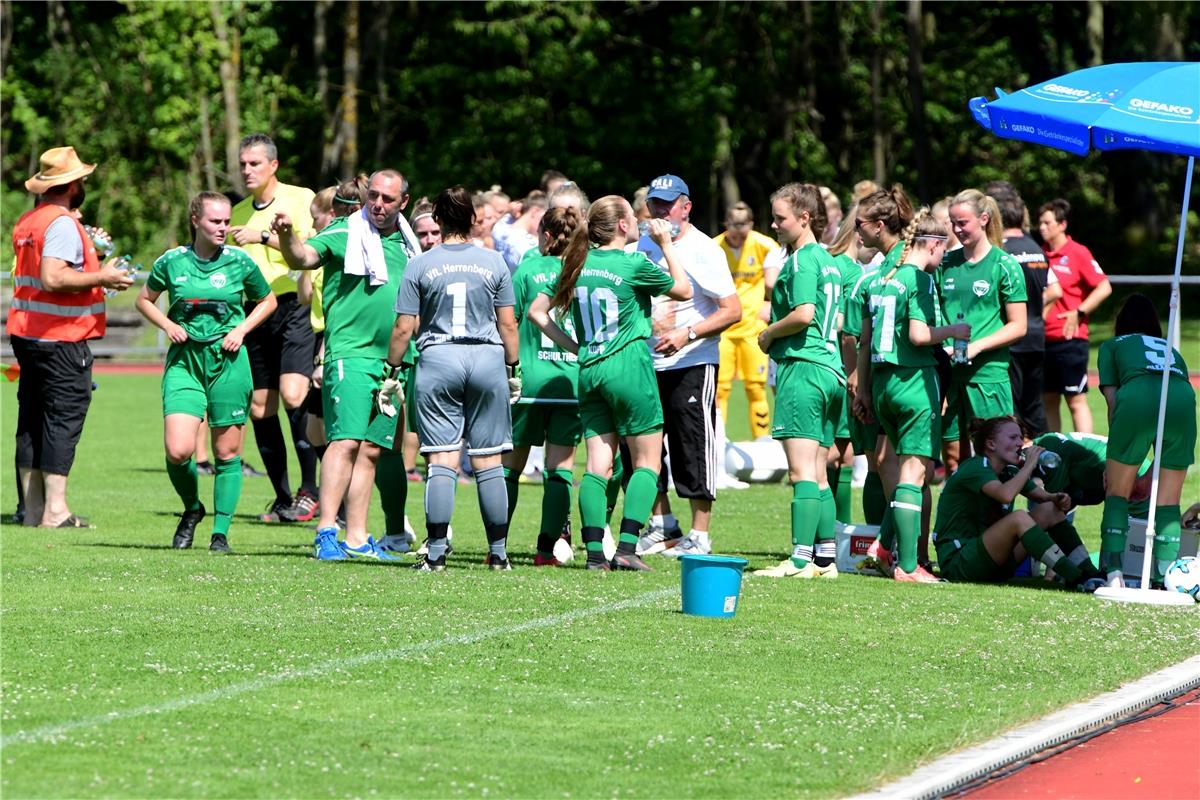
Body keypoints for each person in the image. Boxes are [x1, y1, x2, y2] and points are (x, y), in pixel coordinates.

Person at [529, 197, 692, 571]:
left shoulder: (577, 262)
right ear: (621, 225)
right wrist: (667, 245)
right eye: (633, 217)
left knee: (597, 466)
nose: (638, 221)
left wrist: (576, 346)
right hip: (629, 367)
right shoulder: (633, 263)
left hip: (590, 370)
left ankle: (594, 555)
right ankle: (628, 548)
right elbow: (683, 290)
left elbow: (538, 312)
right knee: (648, 461)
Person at [272, 169, 413, 561]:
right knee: (345, 442)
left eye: (388, 198)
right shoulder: (345, 232)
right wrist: (286, 235)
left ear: (404, 201)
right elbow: (303, 257)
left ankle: (356, 536)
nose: (379, 205)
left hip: (394, 362)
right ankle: (325, 531)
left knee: (371, 450)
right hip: (351, 354)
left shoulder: (409, 243)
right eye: (375, 197)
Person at [385, 185, 519, 571]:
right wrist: (513, 368)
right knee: (489, 460)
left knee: (441, 459)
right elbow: (507, 324)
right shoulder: (493, 262)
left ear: (439, 220)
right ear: (474, 219)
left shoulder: (421, 264)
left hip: (439, 357)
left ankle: (437, 553)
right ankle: (498, 554)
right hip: (486, 357)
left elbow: (403, 328)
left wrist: (392, 371)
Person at [136, 192, 277, 553]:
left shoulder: (239, 262)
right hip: (185, 362)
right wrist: (167, 324)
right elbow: (143, 299)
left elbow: (268, 301)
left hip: (228, 362)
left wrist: (241, 330)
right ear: (196, 219)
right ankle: (192, 508)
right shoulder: (171, 261)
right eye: (216, 221)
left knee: (227, 453)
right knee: (178, 449)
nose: (224, 228)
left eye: (227, 221)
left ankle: (220, 534)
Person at [9, 146, 135, 528]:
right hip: (61, 338)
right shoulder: (61, 223)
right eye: (80, 179)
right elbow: (54, 277)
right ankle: (57, 511)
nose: (84, 184)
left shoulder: (29, 220)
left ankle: (32, 510)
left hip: (29, 335)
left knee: (31, 421)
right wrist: (104, 277)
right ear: (70, 185)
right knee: (62, 420)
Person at [855, 209, 968, 582]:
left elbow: (865, 340)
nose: (942, 259)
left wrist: (866, 392)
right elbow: (920, 336)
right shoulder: (918, 280)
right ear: (933, 245)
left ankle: (882, 548)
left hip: (884, 385)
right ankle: (909, 566)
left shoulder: (879, 279)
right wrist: (954, 330)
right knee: (914, 474)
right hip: (914, 382)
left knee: (902, 470)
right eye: (943, 251)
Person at [634, 174, 741, 558]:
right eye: (654, 204)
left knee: (691, 445)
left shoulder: (704, 249)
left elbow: (733, 310)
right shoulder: (641, 245)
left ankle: (699, 534)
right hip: (645, 362)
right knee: (644, 447)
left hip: (691, 361)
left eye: (667, 204)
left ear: (686, 206)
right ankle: (662, 525)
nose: (660, 212)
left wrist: (689, 333)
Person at [753, 183, 845, 579]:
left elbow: (804, 313)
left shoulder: (802, 261)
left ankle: (799, 560)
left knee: (801, 473)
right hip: (831, 369)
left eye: (780, 218)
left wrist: (770, 332)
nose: (773, 225)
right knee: (820, 472)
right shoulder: (829, 261)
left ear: (804, 218)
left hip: (804, 368)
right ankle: (825, 560)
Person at [228, 133, 319, 524]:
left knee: (294, 394)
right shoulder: (237, 212)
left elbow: (311, 255)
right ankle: (283, 498)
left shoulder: (301, 199)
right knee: (260, 407)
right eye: (243, 164)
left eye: (254, 164)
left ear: (273, 166)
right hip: (255, 312)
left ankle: (311, 491)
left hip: (293, 306)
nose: (247, 170)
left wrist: (264, 236)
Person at [502, 207, 583, 566]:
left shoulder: (529, 269)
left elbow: (509, 320)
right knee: (561, 468)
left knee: (510, 467)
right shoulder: (584, 270)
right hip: (571, 380)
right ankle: (546, 549)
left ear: (546, 236)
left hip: (530, 380)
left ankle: (496, 545)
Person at [1098, 294, 1196, 587]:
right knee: (1168, 500)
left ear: (1120, 322)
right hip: (1183, 399)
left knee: (1117, 492)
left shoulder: (1111, 345)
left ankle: (1114, 574)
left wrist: (1117, 461)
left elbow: (1114, 403)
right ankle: (1167, 579)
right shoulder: (1171, 348)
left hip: (1137, 396)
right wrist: (1151, 470)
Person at [932, 416, 1097, 588]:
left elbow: (1042, 497)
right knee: (1018, 518)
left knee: (1049, 509)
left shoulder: (1008, 470)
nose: (1020, 443)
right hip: (961, 563)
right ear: (991, 445)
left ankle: (1091, 573)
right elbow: (1005, 495)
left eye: (1020, 437)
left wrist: (1056, 498)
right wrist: (1029, 465)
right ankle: (1076, 578)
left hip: (995, 561)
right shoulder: (976, 467)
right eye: (1012, 438)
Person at [938, 190, 1027, 469]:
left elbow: (1018, 325)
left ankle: (999, 513)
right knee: (953, 460)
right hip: (950, 376)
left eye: (963, 222)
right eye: (952, 223)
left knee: (997, 460)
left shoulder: (1005, 265)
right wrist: (943, 343)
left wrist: (977, 346)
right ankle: (963, 512)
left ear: (984, 219)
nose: (956, 229)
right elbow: (936, 311)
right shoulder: (945, 264)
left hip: (988, 377)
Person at [846, 187, 913, 555]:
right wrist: (865, 386)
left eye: (860, 225)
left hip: (909, 377)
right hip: (884, 379)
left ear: (881, 225)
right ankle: (895, 547)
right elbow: (863, 337)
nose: (856, 232)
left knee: (909, 469)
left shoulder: (908, 263)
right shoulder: (882, 266)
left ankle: (910, 552)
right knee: (886, 462)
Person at [987, 182, 1059, 437]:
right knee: (1034, 406)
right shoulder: (1036, 248)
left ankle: (1016, 463)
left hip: (1011, 338)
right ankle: (1045, 457)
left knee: (1012, 407)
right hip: (1036, 336)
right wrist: (1037, 314)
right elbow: (1055, 290)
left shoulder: (1001, 251)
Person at [1038, 198, 1111, 434]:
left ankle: (1085, 451)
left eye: (1047, 222)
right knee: (1048, 399)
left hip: (1071, 340)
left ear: (1062, 224)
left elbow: (1104, 287)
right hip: (1043, 340)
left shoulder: (1077, 252)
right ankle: (1053, 451)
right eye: (1040, 223)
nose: (1042, 228)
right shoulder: (1038, 255)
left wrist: (1079, 312)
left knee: (1075, 399)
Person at [713, 201, 776, 440]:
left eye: (743, 225)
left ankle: (761, 440)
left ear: (751, 223)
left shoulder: (764, 245)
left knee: (755, 387)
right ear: (726, 224)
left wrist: (771, 303)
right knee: (721, 388)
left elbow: (775, 282)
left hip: (753, 327)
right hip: (723, 328)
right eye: (733, 224)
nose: (738, 231)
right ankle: (720, 441)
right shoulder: (714, 247)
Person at [497, 190, 548, 272]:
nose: (544, 224)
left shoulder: (501, 229)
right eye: (544, 218)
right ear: (535, 211)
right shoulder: (526, 244)